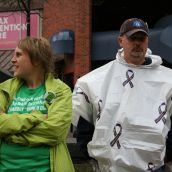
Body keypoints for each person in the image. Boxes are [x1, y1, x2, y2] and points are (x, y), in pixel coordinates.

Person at [72, 18, 172, 172]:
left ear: (147, 41)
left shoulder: (168, 80)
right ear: (121, 40)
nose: (137, 43)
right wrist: (98, 158)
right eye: (132, 38)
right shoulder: (94, 82)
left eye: (141, 38)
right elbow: (83, 129)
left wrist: (166, 155)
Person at [0, 37, 75, 172]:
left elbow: (55, 131)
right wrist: (37, 117)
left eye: (18, 54)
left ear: (36, 59)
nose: (12, 60)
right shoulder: (4, 89)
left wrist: (8, 133)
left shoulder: (60, 90)